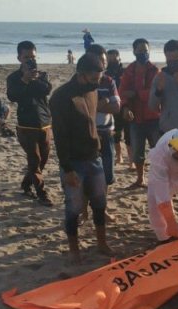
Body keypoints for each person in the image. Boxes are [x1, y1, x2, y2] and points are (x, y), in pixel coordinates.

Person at [50, 53, 114, 264]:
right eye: (93, 79)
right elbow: (59, 136)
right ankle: (74, 251)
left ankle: (102, 244)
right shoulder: (60, 97)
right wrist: (67, 169)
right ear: (80, 74)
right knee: (74, 208)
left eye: (99, 78)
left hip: (94, 158)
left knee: (99, 203)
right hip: (73, 162)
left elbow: (92, 121)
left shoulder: (93, 90)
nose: (97, 83)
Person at [6, 41, 54, 206]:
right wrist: (25, 80)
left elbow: (47, 89)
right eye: (26, 57)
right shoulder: (13, 77)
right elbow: (12, 96)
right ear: (19, 58)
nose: (30, 60)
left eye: (33, 57)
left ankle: (26, 184)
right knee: (34, 160)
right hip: (26, 125)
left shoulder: (42, 74)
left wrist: (34, 78)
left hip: (45, 122)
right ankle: (42, 193)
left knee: (42, 160)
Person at [119, 38, 160, 188]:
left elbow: (155, 93)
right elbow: (122, 92)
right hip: (135, 118)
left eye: (145, 50)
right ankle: (140, 178)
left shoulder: (155, 71)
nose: (143, 53)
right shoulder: (129, 71)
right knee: (137, 152)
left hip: (153, 117)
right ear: (134, 51)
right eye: (140, 50)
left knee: (157, 151)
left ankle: (157, 179)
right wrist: (125, 107)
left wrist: (136, 94)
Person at [86, 44, 121, 219]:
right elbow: (81, 109)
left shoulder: (108, 81)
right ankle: (84, 211)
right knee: (86, 174)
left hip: (106, 133)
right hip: (86, 133)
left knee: (106, 175)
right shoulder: (80, 81)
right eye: (98, 61)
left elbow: (116, 107)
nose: (102, 65)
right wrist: (101, 104)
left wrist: (100, 105)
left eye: (104, 62)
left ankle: (102, 209)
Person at [106, 49, 129, 165]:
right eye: (109, 58)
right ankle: (119, 156)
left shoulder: (125, 72)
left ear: (119, 57)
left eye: (114, 57)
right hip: (112, 105)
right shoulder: (106, 73)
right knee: (116, 133)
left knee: (129, 133)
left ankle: (131, 160)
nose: (112, 60)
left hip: (126, 105)